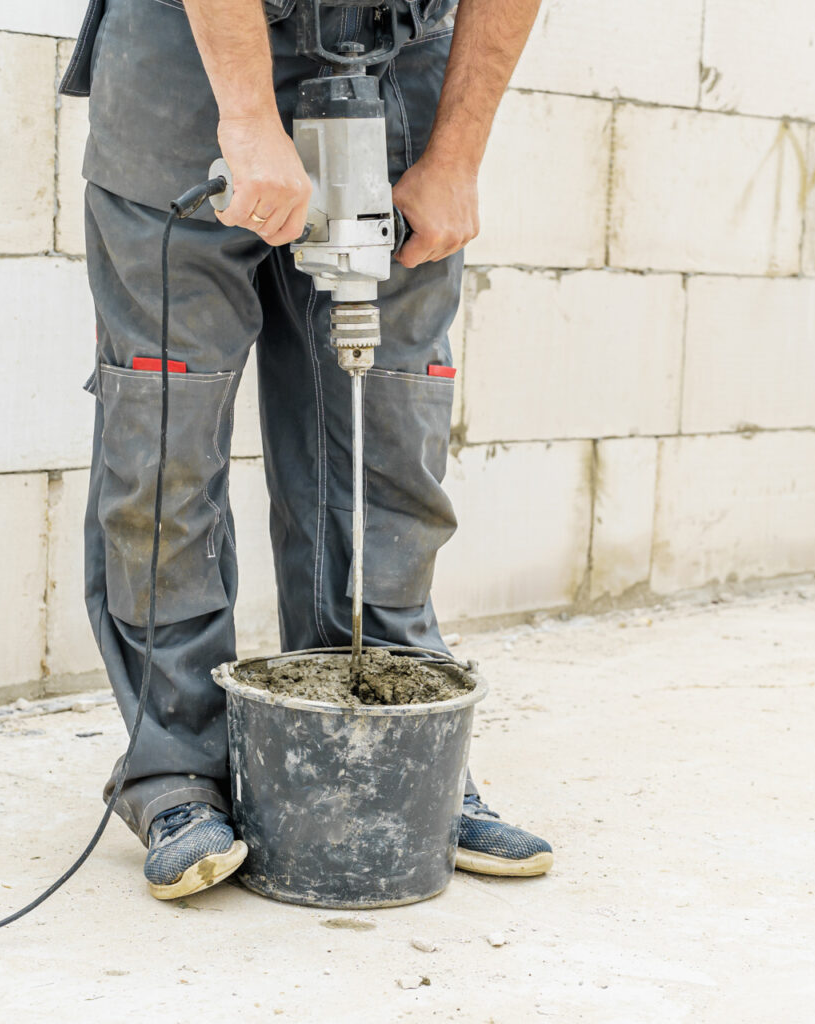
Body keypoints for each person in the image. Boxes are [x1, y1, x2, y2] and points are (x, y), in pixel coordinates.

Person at [62, 0, 552, 900]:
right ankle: (176, 771)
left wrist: (457, 154)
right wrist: (245, 117)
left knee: (390, 428)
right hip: (188, 55)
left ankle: (386, 743)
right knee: (164, 431)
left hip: (399, 51)